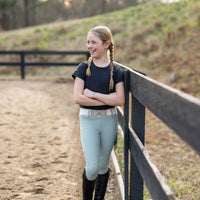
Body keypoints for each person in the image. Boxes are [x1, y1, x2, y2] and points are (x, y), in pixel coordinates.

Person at [72, 25, 125, 200]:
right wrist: (106, 98)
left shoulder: (116, 71)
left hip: (109, 120)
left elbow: (119, 100)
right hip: (88, 120)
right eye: (88, 42)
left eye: (94, 42)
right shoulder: (83, 69)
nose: (89, 46)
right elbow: (78, 98)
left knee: (103, 166)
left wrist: (94, 95)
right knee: (93, 167)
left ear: (106, 44)